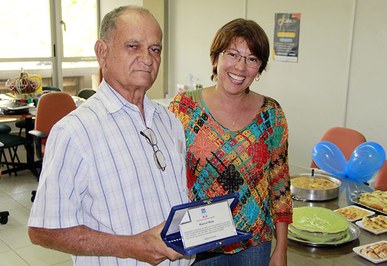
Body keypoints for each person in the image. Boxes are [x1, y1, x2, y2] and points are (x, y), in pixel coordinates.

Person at [28, 6, 193, 265]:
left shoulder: (169, 122)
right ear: (102, 52)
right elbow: (43, 230)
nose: (148, 58)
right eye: (133, 46)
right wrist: (131, 246)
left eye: (154, 49)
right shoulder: (74, 132)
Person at [169, 18, 293, 266]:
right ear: (215, 58)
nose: (240, 66)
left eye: (252, 59)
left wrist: (281, 248)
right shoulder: (184, 108)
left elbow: (279, 183)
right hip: (200, 242)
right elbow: (166, 176)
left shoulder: (271, 114)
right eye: (233, 54)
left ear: (259, 69)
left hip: (254, 243)